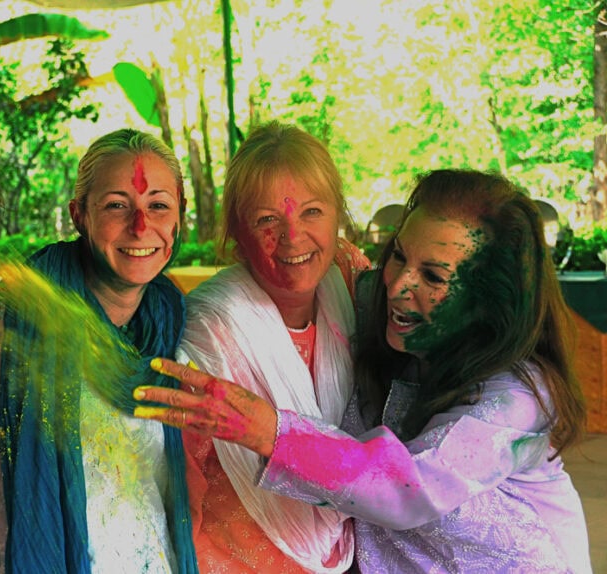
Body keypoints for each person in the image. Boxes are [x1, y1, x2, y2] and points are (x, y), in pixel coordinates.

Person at [135, 169, 592, 573]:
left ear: (490, 299)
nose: (398, 285)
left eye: (433, 277)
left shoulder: (517, 398)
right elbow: (315, 261)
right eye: (398, 255)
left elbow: (410, 487)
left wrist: (269, 431)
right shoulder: (372, 302)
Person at [0, 128, 199, 573]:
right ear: (79, 215)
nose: (140, 226)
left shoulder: (177, 335)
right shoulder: (3, 326)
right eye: (117, 205)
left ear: (178, 217)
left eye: (158, 206)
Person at [175, 121, 369, 573]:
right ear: (236, 235)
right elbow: (180, 482)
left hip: (343, 554)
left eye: (313, 212)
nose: (293, 236)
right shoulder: (211, 328)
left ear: (338, 215)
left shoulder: (352, 283)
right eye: (267, 220)